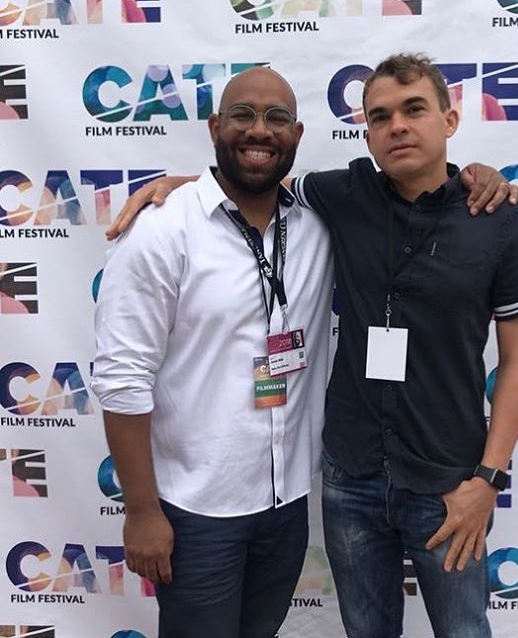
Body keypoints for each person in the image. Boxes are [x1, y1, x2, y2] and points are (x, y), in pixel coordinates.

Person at [102, 55, 518, 638]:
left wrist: (488, 478)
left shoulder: (496, 215)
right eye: (380, 116)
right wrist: (183, 187)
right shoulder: (345, 194)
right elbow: (251, 177)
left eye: (414, 110)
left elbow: (517, 361)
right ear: (367, 131)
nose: (398, 126)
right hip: (338, 480)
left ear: (450, 120)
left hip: (444, 482)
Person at [91, 67, 335, 638]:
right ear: (214, 127)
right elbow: (123, 379)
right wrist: (142, 512)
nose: (259, 131)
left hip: (286, 501)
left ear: (296, 134)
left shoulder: (318, 224)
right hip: (197, 510)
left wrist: (473, 174)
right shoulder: (162, 231)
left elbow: (410, 195)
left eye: (276, 118)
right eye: (242, 116)